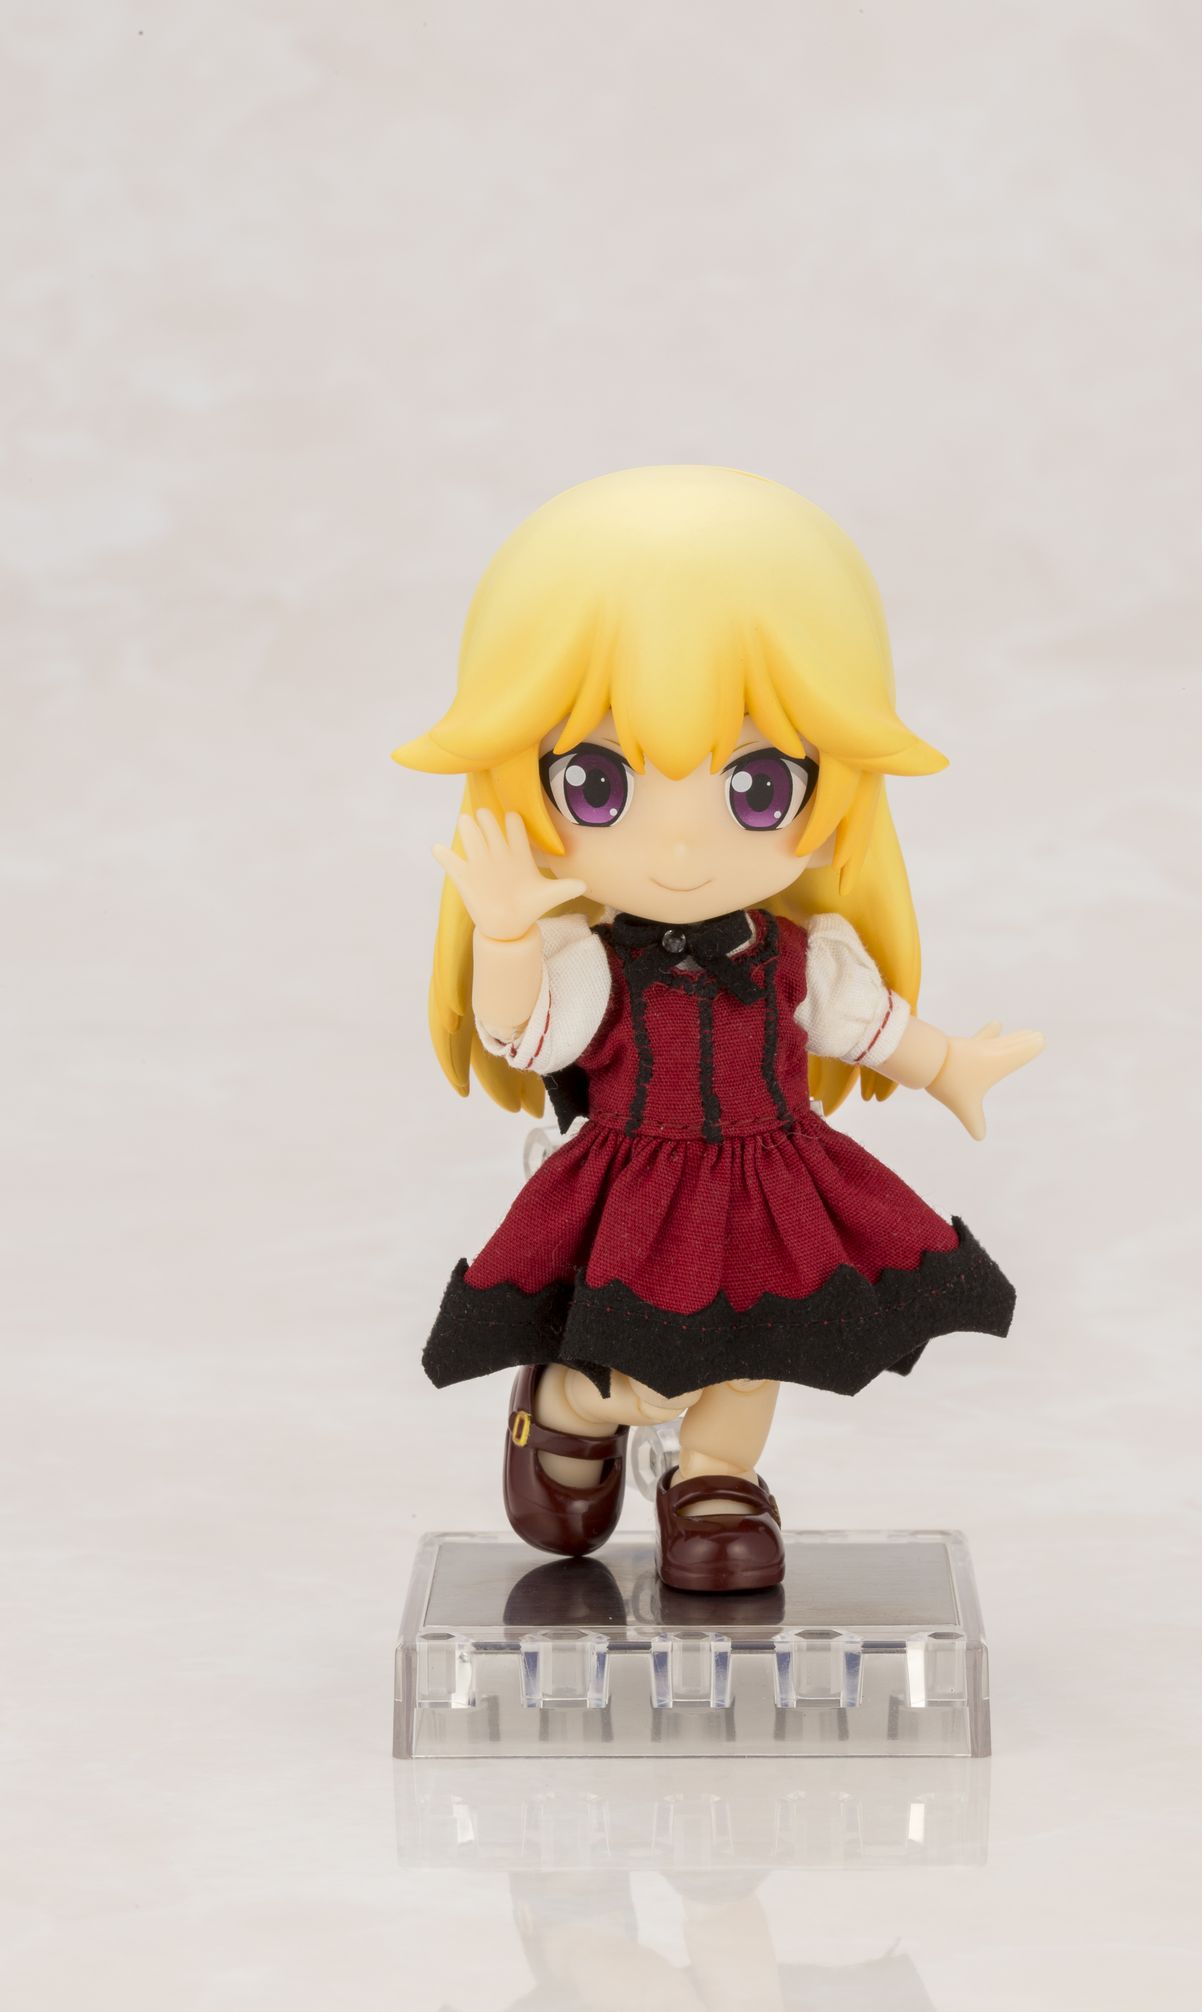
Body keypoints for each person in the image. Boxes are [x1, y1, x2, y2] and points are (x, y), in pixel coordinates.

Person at [396, 465, 1043, 1592]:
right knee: (651, 1367)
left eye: (757, 788)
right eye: (597, 785)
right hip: (636, 1189)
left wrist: (949, 1064)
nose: (683, 847)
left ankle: (716, 1480)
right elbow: (523, 1033)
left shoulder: (795, 956)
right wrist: (502, 932)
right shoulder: (593, 966)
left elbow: (866, 1024)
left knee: (760, 1344)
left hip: (773, 1180)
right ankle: (571, 1398)